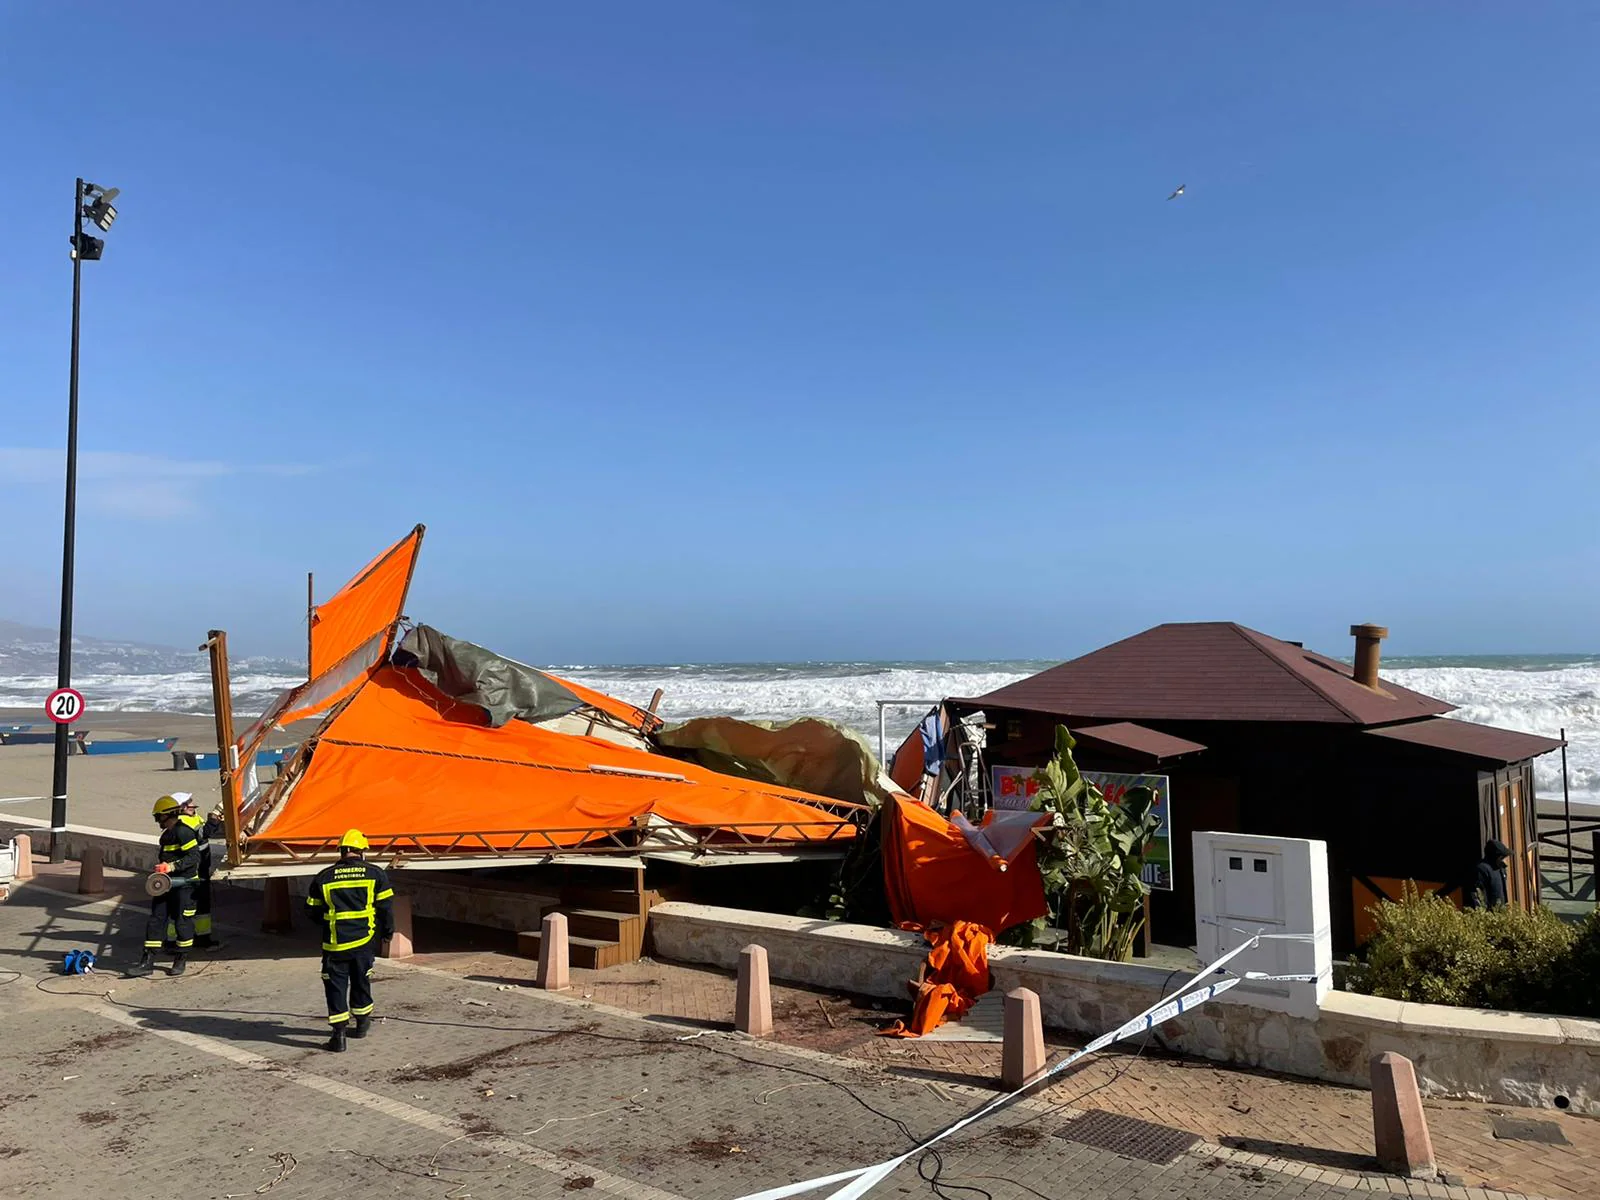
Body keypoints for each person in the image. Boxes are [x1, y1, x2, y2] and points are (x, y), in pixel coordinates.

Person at [306, 829, 394, 1053]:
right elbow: (385, 909)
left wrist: (329, 921)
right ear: (362, 852)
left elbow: (312, 911)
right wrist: (387, 932)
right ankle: (362, 1024)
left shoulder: (324, 877)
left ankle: (338, 1036)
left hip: (335, 944)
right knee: (361, 980)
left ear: (342, 851)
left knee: (335, 987)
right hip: (364, 942)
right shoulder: (376, 874)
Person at [128, 796, 203, 976]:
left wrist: (171, 867)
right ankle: (147, 962)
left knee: (182, 922)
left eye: (158, 817)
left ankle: (180, 959)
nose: (157, 821)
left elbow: (194, 857)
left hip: (185, 886)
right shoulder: (166, 836)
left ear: (166, 815)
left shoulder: (184, 832)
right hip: (166, 884)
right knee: (156, 920)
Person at [175, 794, 226, 950]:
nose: (193, 805)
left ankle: (201, 937)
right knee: (193, 904)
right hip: (194, 870)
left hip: (200, 867)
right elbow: (204, 833)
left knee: (200, 905)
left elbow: (208, 833)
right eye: (190, 803)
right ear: (181, 807)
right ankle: (182, 941)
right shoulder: (183, 822)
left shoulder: (192, 818)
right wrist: (215, 817)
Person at [1464, 839, 1512, 909]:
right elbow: (1477, 896)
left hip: (1501, 913)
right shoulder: (1482, 869)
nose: (1504, 860)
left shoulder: (1501, 869)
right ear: (1495, 857)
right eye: (1502, 857)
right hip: (1489, 915)